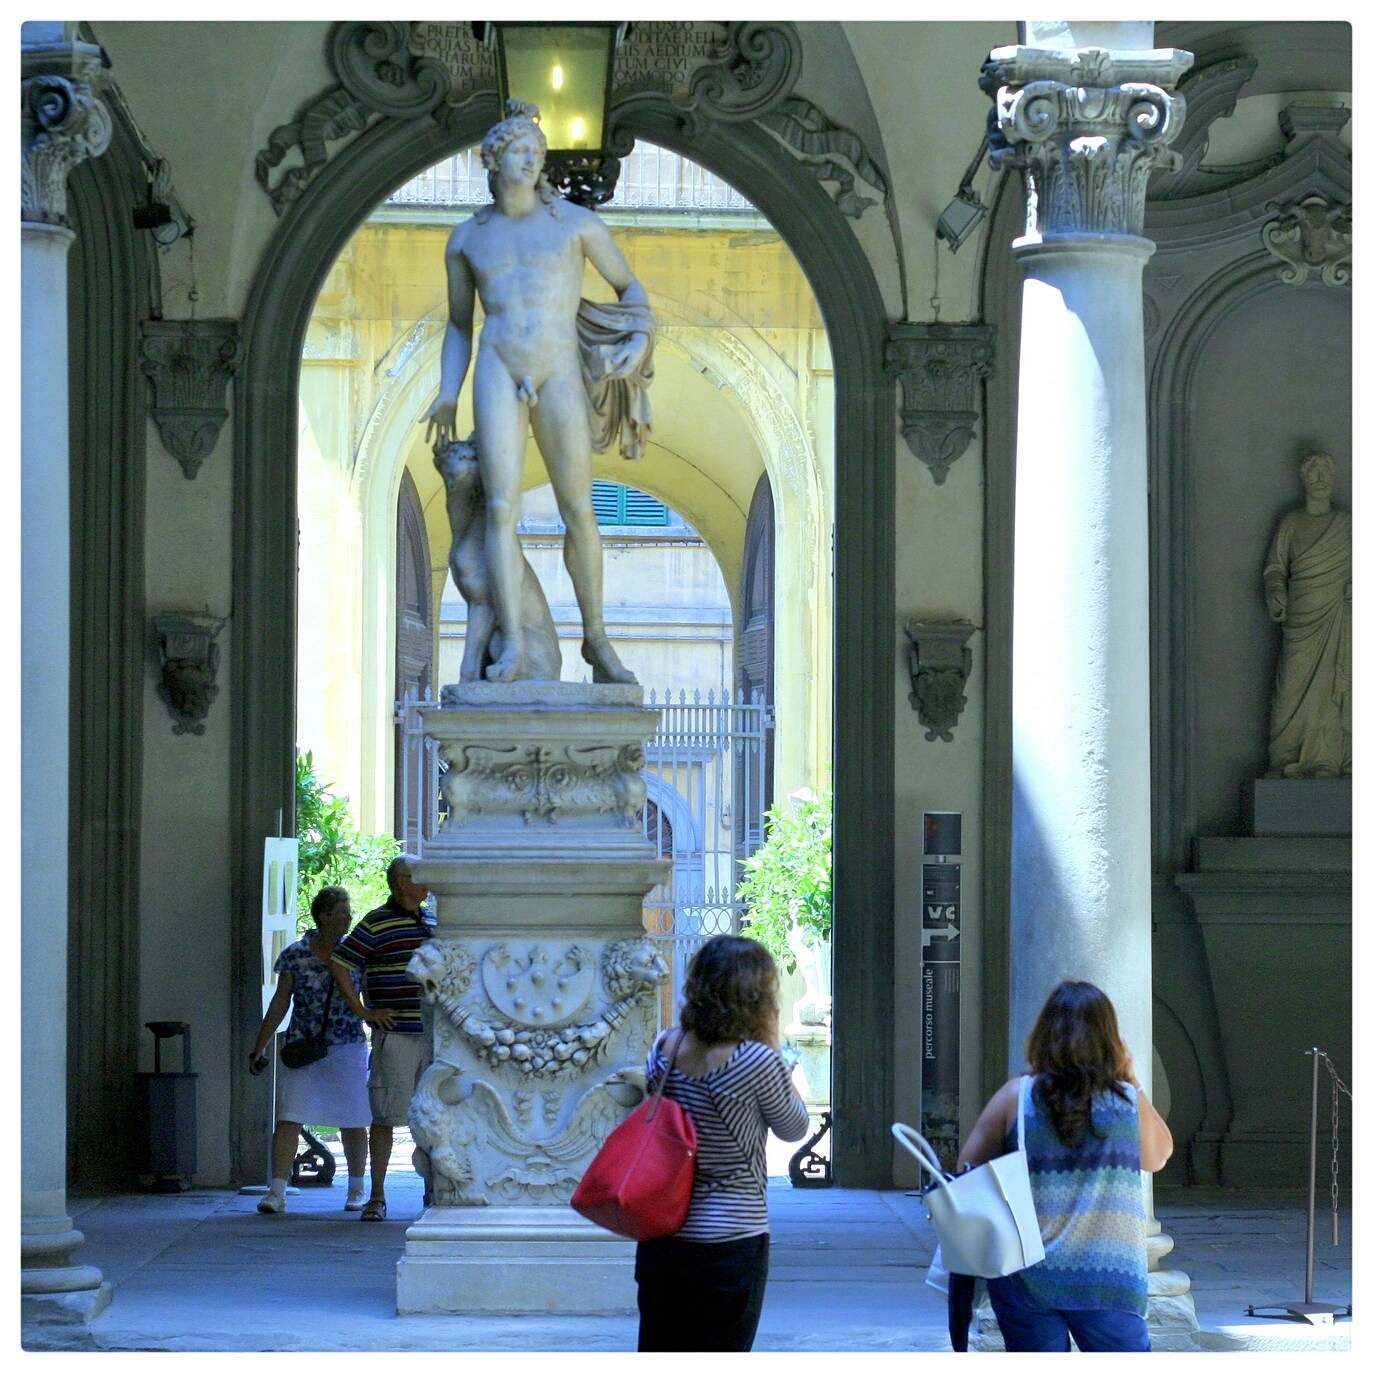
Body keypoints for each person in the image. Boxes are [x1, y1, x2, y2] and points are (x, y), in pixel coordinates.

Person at [422, 100, 654, 687]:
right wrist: (449, 391)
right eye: (521, 152)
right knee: (501, 506)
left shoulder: (576, 225)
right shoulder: (467, 240)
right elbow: (457, 323)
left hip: (557, 368)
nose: (531, 162)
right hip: (499, 366)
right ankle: (517, 648)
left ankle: (597, 641)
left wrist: (640, 341)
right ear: (494, 160)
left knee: (579, 507)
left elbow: (632, 291)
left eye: (537, 154)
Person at [957, 980, 1173, 1353]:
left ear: (1044, 1034)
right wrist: (1132, 1079)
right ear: (1109, 1037)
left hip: (1027, 1273)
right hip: (1108, 1275)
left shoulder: (1016, 1096)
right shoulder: (1125, 1100)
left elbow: (966, 1169)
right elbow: (1158, 1157)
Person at [633, 934, 810, 1352]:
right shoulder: (756, 1060)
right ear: (755, 995)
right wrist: (772, 1042)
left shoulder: (667, 1045)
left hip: (664, 1235)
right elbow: (794, 1127)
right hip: (730, 1240)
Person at [248, 885, 369, 1214]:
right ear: (324, 916)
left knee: (355, 1118)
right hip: (304, 1045)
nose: (348, 917)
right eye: (343, 912)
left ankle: (357, 1188)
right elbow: (280, 1002)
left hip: (347, 1043)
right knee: (290, 1116)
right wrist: (260, 1046)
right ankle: (276, 1191)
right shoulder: (296, 954)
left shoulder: (357, 953)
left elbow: (369, 997)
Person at [329, 854, 436, 1222]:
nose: (428, 882)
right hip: (397, 1035)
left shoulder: (434, 920)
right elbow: (341, 962)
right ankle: (376, 1195)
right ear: (401, 882)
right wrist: (363, 1012)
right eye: (420, 876)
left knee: (435, 1115)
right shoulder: (376, 922)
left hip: (435, 1036)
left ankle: (434, 1192)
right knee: (387, 1115)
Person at [1263, 451, 1351, 778]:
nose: (1320, 478)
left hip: (1338, 620)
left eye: (1326, 471)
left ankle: (1329, 759)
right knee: (1290, 690)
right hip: (1301, 621)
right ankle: (1286, 757)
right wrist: (1276, 591)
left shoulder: (1347, 524)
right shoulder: (1291, 523)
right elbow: (1274, 567)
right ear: (1303, 479)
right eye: (1314, 472)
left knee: (1332, 690)